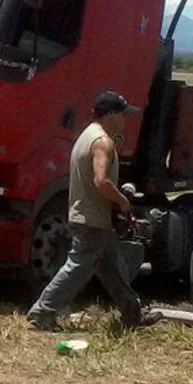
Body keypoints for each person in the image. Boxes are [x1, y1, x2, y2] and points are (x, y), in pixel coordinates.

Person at [26, 90, 163, 331]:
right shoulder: (103, 142)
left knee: (113, 269)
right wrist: (123, 201)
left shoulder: (86, 136)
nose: (123, 120)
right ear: (110, 114)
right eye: (121, 114)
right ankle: (41, 312)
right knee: (77, 268)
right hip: (92, 218)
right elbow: (101, 181)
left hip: (89, 215)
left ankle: (133, 314)